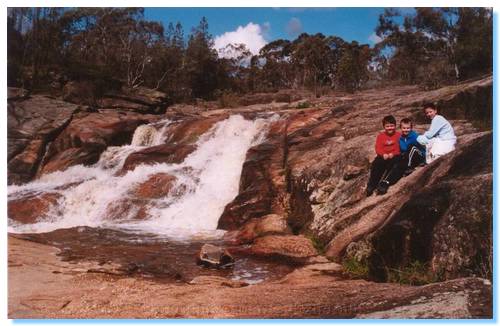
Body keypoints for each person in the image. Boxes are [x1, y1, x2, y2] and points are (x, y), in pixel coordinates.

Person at [366, 115, 401, 196]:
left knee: (394, 165)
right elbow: (378, 148)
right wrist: (383, 154)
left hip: (393, 156)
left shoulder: (398, 135)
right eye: (387, 126)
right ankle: (372, 184)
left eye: (392, 126)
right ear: (384, 127)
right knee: (376, 164)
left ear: (395, 126)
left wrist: (393, 153)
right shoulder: (381, 136)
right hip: (383, 156)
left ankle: (384, 184)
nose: (390, 128)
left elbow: (399, 147)